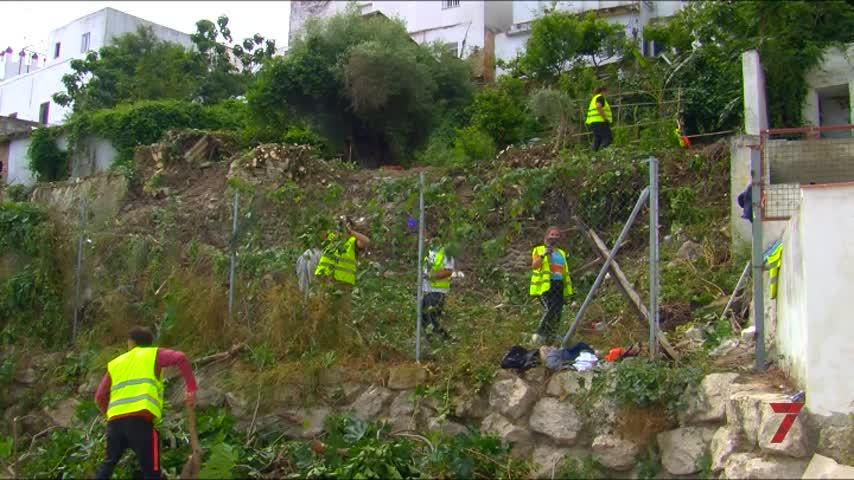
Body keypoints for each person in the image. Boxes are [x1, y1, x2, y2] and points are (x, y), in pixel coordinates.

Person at [94, 326, 198, 480]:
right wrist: (191, 389)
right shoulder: (154, 354)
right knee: (151, 471)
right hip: (141, 423)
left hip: (115, 425)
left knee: (108, 466)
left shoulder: (116, 363)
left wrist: (110, 416)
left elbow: (100, 397)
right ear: (149, 343)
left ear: (131, 343)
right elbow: (180, 358)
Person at [530, 226, 574, 346]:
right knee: (550, 309)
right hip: (546, 284)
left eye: (557, 235)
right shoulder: (539, 250)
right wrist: (544, 254)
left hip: (558, 283)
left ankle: (551, 336)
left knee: (558, 311)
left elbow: (564, 271)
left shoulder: (561, 253)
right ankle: (539, 334)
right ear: (546, 236)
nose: (554, 237)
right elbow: (535, 266)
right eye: (552, 234)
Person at [314, 215, 371, 289]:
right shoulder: (331, 237)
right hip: (324, 278)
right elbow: (318, 233)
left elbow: (366, 241)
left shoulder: (353, 241)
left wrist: (350, 232)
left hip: (342, 283)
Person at [421, 239, 457, 342]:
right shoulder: (428, 251)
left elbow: (448, 271)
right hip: (426, 290)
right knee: (424, 318)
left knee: (432, 318)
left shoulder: (446, 251)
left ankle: (444, 341)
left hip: (437, 291)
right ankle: (434, 341)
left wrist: (430, 276)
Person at [585, 86, 613, 151]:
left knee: (597, 139)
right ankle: (602, 151)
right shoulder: (600, 97)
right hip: (600, 122)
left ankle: (594, 154)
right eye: (607, 92)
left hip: (593, 122)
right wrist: (605, 118)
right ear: (603, 91)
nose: (608, 94)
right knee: (608, 138)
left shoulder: (594, 98)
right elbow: (598, 107)